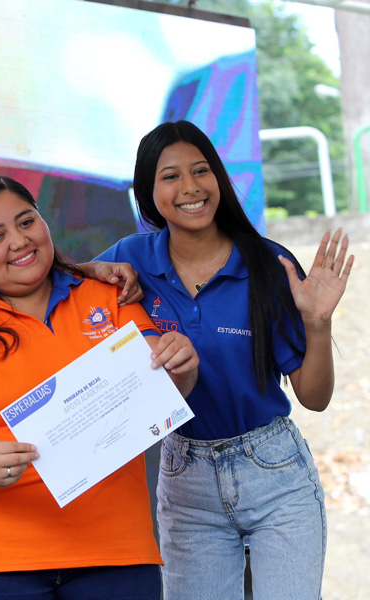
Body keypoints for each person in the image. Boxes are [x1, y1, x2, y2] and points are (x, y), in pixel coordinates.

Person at [0, 174, 199, 600]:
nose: (19, 241)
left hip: (113, 551)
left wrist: (181, 365)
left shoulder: (109, 296)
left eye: (27, 222)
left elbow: (161, 384)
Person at [96, 120, 353, 600]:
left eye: (201, 170)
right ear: (149, 193)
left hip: (275, 474)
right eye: (170, 176)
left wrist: (318, 324)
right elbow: (65, 286)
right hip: (185, 479)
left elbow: (314, 398)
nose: (190, 187)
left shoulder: (269, 265)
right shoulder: (130, 258)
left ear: (219, 177)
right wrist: (94, 270)